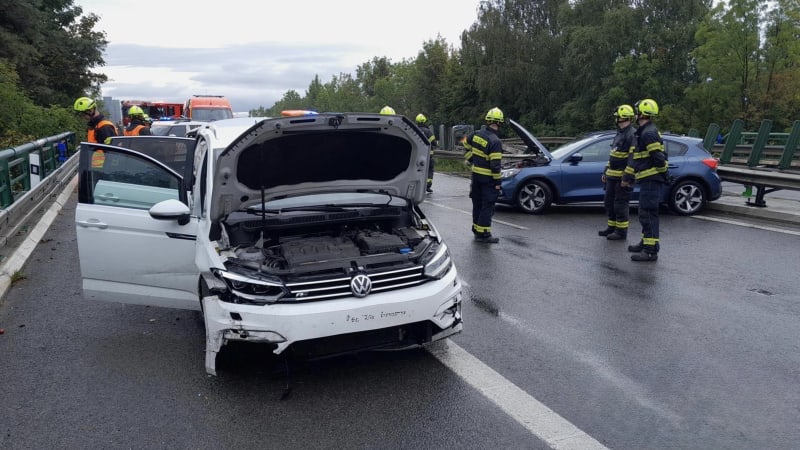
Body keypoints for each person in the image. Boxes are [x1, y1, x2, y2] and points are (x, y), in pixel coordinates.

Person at [623, 98, 667, 262]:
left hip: (651, 179)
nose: (636, 114)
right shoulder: (645, 131)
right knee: (644, 213)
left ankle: (650, 250)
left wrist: (662, 174)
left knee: (648, 213)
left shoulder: (648, 133)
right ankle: (645, 243)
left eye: (637, 111)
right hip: (648, 178)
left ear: (643, 113)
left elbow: (658, 158)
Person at [463, 107, 504, 244]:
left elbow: (465, 144)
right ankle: (484, 234)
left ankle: (476, 229)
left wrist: (471, 159)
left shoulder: (476, 134)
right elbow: (495, 166)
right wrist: (498, 182)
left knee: (477, 203)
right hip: (488, 180)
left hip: (475, 177)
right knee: (488, 206)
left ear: (487, 120)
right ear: (500, 123)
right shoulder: (495, 141)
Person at [599, 104, 636, 241]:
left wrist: (627, 177)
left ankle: (621, 232)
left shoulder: (631, 134)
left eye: (617, 117)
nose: (615, 119)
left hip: (622, 177)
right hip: (612, 176)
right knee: (609, 202)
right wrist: (606, 171)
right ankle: (612, 227)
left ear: (622, 117)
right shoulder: (619, 133)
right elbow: (614, 155)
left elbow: (632, 159)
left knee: (620, 204)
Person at [74, 97, 119, 169]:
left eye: (83, 114)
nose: (82, 117)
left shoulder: (104, 127)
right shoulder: (94, 126)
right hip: (97, 168)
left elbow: (113, 151)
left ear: (90, 111)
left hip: (105, 168)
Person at [416, 113, 438, 193]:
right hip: (428, 155)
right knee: (430, 170)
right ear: (424, 121)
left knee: (418, 170)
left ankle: (418, 185)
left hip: (417, 155)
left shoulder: (414, 130)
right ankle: (428, 186)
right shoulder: (428, 132)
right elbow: (434, 143)